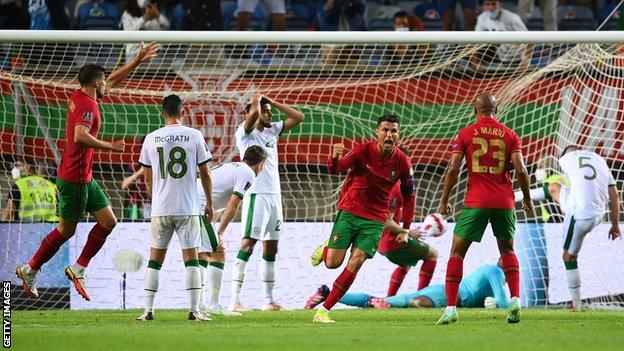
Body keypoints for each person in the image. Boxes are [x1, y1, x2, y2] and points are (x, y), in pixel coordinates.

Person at [14, 42, 158, 301]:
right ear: (95, 84)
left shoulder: (82, 95)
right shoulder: (88, 107)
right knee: (65, 231)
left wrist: (137, 61)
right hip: (76, 179)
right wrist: (109, 146)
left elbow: (111, 80)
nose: (107, 85)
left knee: (109, 221)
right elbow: (80, 136)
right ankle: (30, 269)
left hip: (85, 178)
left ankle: (79, 268)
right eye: (103, 83)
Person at [435, 93, 532, 325]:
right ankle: (516, 300)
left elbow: (452, 169)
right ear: (496, 110)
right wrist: (527, 198)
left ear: (474, 110)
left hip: (476, 201)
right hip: (504, 201)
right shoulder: (510, 135)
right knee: (507, 251)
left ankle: (450, 308)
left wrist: (444, 199)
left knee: (457, 253)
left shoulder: (466, 133)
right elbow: (521, 170)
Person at [309, 115, 416, 323]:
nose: (389, 134)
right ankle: (326, 248)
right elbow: (336, 170)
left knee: (356, 262)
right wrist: (334, 158)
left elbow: (409, 196)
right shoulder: (362, 150)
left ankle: (324, 311)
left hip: (375, 220)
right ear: (377, 132)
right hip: (350, 211)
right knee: (332, 263)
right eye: (385, 130)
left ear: (398, 134)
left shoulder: (403, 161)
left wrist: (405, 229)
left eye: (393, 131)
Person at [136, 94, 214, 322]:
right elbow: (206, 172)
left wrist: (156, 198)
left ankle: (148, 311)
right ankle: (194, 310)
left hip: (161, 208)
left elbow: (147, 175)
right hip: (188, 206)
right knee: (191, 258)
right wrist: (209, 203)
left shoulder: (151, 138)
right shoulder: (194, 135)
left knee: (155, 259)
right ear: (183, 111)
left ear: (163, 113)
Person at [515, 146, 621, 309]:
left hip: (579, 215)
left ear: (565, 155)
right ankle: (513, 196)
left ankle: (577, 305)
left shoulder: (565, 160)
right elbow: (614, 195)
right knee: (554, 188)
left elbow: (548, 166)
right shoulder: (599, 160)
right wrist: (615, 225)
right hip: (599, 213)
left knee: (568, 257)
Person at [229, 93, 304, 312]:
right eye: (266, 111)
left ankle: (268, 301)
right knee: (248, 244)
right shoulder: (245, 134)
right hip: (256, 195)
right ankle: (234, 300)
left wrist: (273, 102)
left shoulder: (272, 130)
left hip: (274, 196)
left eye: (270, 111)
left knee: (271, 247)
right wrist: (257, 100)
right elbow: (253, 113)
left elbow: (299, 117)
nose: (270, 113)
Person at [197, 145, 267, 317]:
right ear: (261, 164)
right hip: (197, 208)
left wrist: (215, 225)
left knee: (203, 254)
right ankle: (212, 305)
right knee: (218, 252)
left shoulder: (232, 166)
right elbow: (234, 203)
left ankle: (199, 304)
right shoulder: (248, 173)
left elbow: (218, 197)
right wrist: (220, 232)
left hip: (191, 204)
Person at [306, 264, 509, 310]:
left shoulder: (494, 273)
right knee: (414, 303)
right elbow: (504, 303)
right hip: (448, 295)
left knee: (379, 303)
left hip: (441, 291)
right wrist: (500, 304)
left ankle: (328, 294)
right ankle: (389, 302)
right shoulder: (496, 272)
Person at [472, 0, 532, 70]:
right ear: (483, 6)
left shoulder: (512, 17)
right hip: (498, 54)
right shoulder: (482, 18)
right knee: (466, 48)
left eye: (494, 4)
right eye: (488, 4)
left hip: (516, 56)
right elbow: (474, 41)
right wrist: (475, 62)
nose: (491, 7)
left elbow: (529, 40)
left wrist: (525, 61)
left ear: (499, 4)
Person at [2, 158, 59, 222]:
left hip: (26, 227)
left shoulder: (19, 185)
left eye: (18, 166)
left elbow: (9, 212)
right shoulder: (52, 186)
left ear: (27, 167)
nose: (15, 169)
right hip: (52, 227)